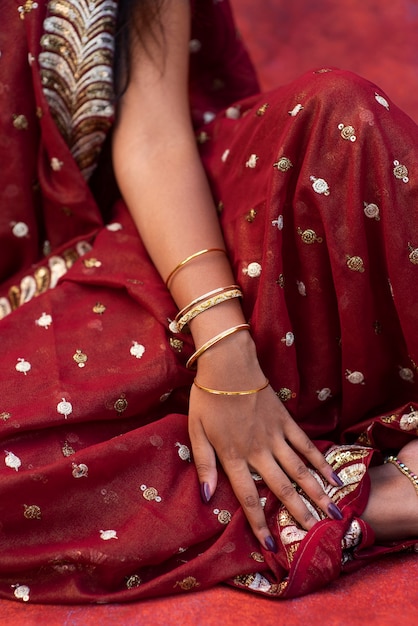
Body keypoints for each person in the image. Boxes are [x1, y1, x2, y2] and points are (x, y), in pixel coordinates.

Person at [0, 0, 417, 603]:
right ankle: (370, 496)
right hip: (49, 312)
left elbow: (152, 137)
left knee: (337, 115)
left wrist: (225, 354)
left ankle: (273, 429)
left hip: (174, 228)